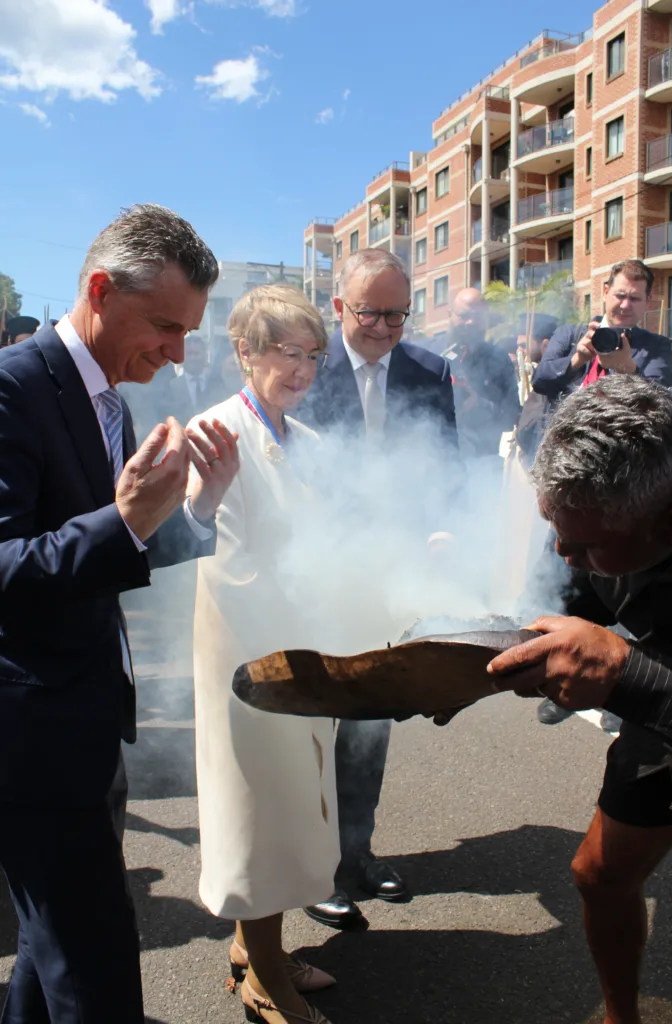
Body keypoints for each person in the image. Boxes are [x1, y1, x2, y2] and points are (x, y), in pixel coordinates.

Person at [0, 203, 239, 1024]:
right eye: (164, 328)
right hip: (31, 734)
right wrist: (128, 518)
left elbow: (109, 556)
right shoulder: (12, 387)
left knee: (47, 953)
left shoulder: (111, 398)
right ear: (100, 289)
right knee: (93, 964)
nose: (175, 355)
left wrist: (197, 510)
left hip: (90, 717)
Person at [487, 375, 672, 1024]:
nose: (563, 555)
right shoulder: (602, 524)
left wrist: (624, 673)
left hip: (659, 685)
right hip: (663, 695)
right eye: (554, 530)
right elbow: (572, 601)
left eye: (587, 542)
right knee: (599, 877)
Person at [190, 285, 338, 1024]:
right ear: (243, 353)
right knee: (258, 813)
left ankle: (258, 950)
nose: (304, 368)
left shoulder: (305, 440)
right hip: (249, 655)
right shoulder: (216, 430)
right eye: (288, 352)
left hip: (301, 647)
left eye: (313, 354)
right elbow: (222, 559)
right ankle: (264, 977)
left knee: (291, 808)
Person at [298, 248, 458, 929]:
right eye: (371, 313)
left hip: (389, 567)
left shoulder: (428, 370)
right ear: (338, 307)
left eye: (399, 313)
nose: (387, 328)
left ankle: (354, 854)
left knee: (368, 720)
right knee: (305, 722)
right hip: (311, 567)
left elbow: (445, 463)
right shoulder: (303, 365)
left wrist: (446, 532)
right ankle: (306, 867)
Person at [532, 259, 672, 404]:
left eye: (634, 299)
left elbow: (660, 403)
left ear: (648, 302)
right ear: (606, 292)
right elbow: (539, 381)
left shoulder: (656, 347)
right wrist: (577, 360)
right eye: (620, 296)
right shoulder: (570, 334)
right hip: (565, 424)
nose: (625, 305)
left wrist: (629, 370)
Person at [443, 287, 520, 458]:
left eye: (477, 317)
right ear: (450, 315)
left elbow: (511, 411)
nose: (470, 322)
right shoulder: (431, 353)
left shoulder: (499, 358)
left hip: (483, 456)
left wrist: (480, 404)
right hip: (437, 452)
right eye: (463, 316)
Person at [167, 333, 226, 423]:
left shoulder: (218, 384)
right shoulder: (172, 387)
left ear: (205, 356)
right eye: (189, 354)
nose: (193, 358)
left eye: (197, 353)